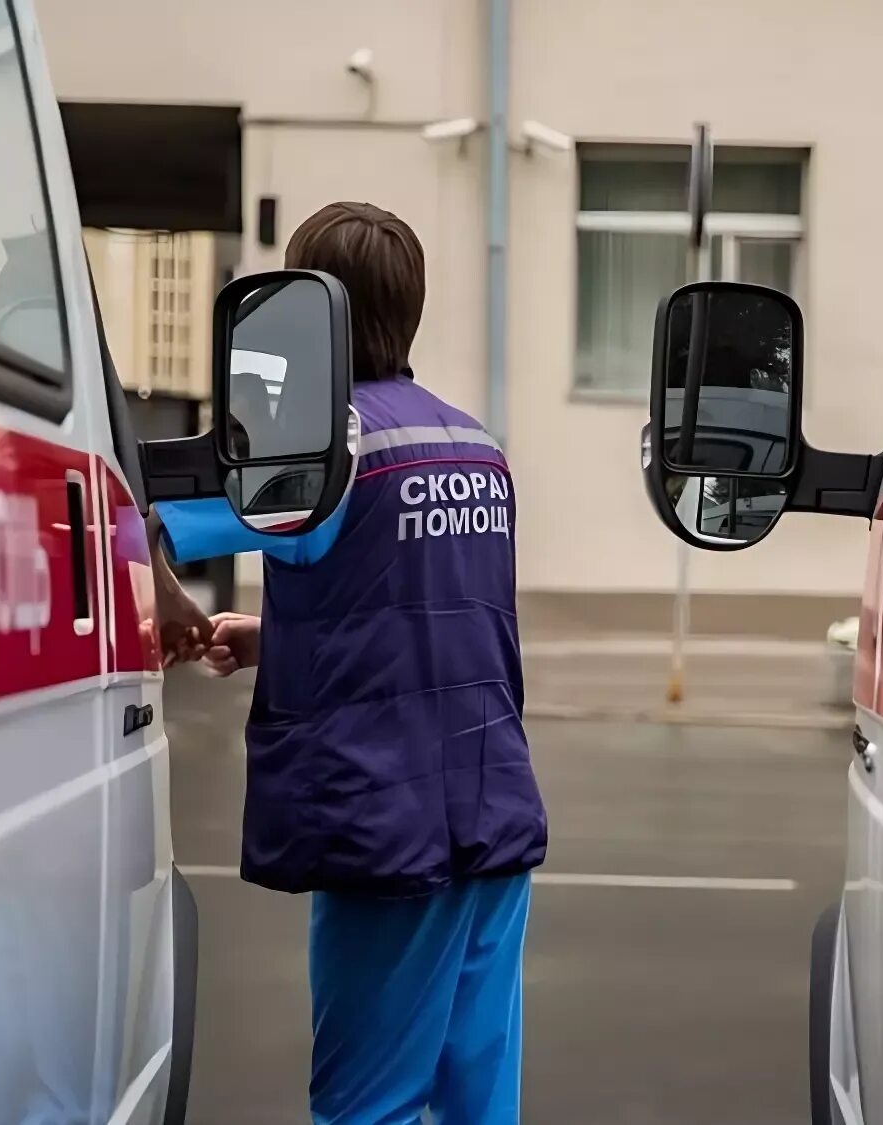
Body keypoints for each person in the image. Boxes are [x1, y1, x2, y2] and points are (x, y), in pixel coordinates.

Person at [155, 201, 547, 1124]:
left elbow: (136, 517)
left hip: (387, 830)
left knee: (368, 1105)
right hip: (491, 817)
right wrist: (280, 637)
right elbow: (426, 621)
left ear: (308, 312)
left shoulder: (314, 450)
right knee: (475, 1104)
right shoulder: (476, 447)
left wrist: (169, 596)